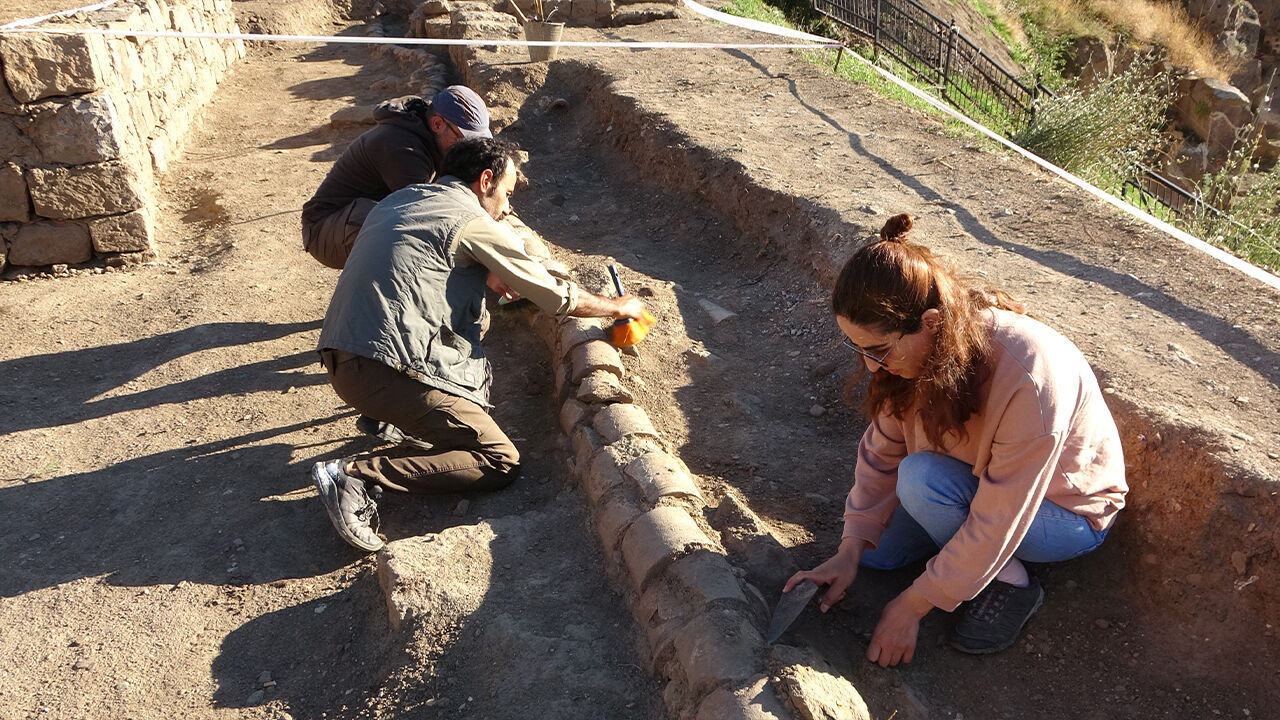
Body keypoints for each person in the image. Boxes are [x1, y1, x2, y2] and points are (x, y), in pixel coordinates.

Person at [785, 213, 1127, 665]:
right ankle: (951, 553)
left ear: (929, 322)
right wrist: (849, 549)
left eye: (879, 351)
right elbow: (880, 456)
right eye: (858, 350)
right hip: (969, 484)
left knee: (920, 479)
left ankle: (1012, 583)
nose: (870, 367)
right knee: (877, 555)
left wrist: (913, 604)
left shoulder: (1030, 375)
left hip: (1060, 514)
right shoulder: (913, 359)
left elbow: (1003, 515)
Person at [310, 138, 650, 552]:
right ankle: (355, 477)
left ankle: (396, 418)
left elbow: (421, 260)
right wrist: (618, 307)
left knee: (468, 353)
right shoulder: (471, 219)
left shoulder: (402, 200)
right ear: (485, 180)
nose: (507, 208)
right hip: (383, 369)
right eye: (506, 194)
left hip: (344, 358)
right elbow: (555, 296)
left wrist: (481, 272)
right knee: (499, 459)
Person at [300, 85, 492, 270]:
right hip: (325, 230)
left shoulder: (429, 138)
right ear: (437, 124)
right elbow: (429, 213)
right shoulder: (402, 147)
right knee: (409, 232)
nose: (470, 149)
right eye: (465, 141)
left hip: (356, 217)